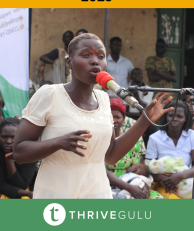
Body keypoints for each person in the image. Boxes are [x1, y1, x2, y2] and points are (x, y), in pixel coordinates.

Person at [13, 33, 173, 199]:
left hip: (97, 194)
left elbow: (110, 156)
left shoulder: (104, 100)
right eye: (86, 55)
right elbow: (19, 152)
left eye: (100, 56)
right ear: (69, 62)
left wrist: (143, 122)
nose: (95, 61)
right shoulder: (49, 95)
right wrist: (58, 142)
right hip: (56, 196)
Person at [106, 98, 162, 199]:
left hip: (132, 181)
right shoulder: (101, 140)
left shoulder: (133, 139)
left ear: (123, 119)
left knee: (157, 198)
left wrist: (143, 184)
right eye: (110, 116)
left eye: (117, 117)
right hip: (108, 184)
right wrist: (130, 188)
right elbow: (102, 171)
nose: (114, 120)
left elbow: (139, 167)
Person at [145, 100, 194, 199]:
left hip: (187, 182)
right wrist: (164, 179)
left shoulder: (191, 136)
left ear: (186, 119)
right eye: (171, 115)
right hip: (163, 183)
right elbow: (148, 166)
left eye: (180, 116)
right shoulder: (155, 138)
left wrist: (179, 176)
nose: (174, 119)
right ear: (165, 117)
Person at [0, 118, 37, 199]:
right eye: (4, 137)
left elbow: (22, 185)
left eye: (13, 137)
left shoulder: (30, 152)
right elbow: (1, 185)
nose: (9, 141)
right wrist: (8, 159)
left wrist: (9, 159)